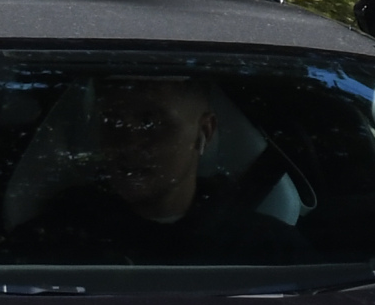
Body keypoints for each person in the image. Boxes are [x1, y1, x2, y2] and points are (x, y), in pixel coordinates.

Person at [17, 78, 305, 262]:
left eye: (150, 123)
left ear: (203, 132)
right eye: (112, 122)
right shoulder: (57, 241)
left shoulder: (265, 251)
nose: (127, 144)